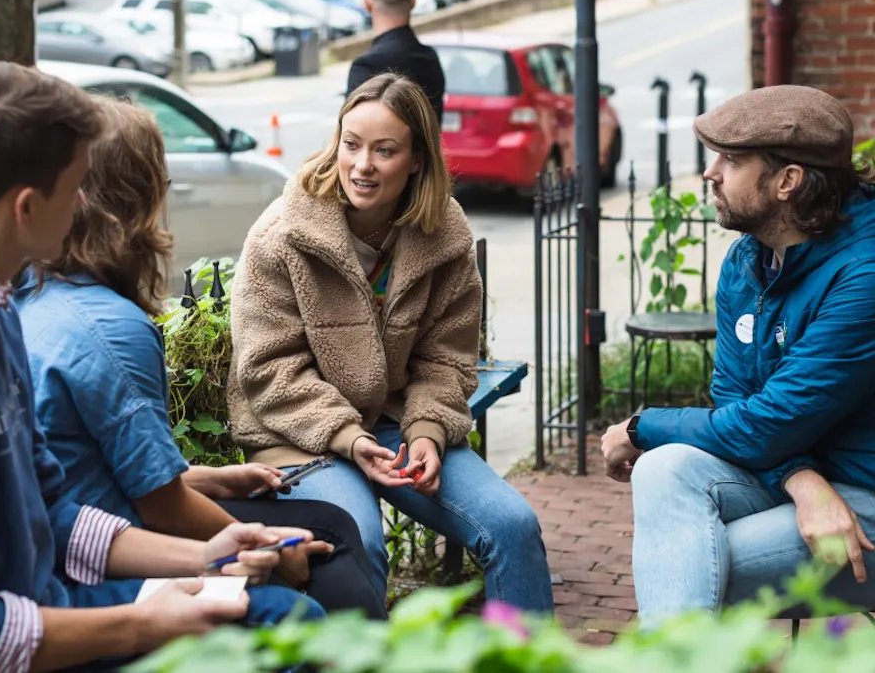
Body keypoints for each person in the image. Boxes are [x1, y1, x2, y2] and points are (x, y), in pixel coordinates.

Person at [0, 61, 321, 673]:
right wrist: (139, 625)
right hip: (5, 647)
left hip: (44, 609)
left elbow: (51, 513)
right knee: (291, 632)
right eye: (77, 184)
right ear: (27, 208)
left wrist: (203, 556)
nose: (86, 202)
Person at [14, 96, 387, 621]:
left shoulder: (32, 293)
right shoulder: (113, 329)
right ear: (140, 199)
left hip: (75, 536)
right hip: (100, 560)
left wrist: (201, 476)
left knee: (329, 523)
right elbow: (157, 508)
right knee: (324, 552)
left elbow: (83, 469)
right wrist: (272, 557)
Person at [227, 72, 554, 611]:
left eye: (384, 151)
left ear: (417, 159)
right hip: (300, 432)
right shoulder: (281, 235)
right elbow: (268, 370)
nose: (362, 165)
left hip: (396, 422)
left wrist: (427, 432)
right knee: (362, 544)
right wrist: (349, 438)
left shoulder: (444, 234)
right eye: (351, 145)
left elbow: (447, 359)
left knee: (512, 525)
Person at [600, 85, 875, 629]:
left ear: (787, 182)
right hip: (808, 481)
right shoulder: (748, 258)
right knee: (663, 467)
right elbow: (735, 395)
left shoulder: (863, 275)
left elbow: (766, 423)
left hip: (865, 498)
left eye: (731, 159)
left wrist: (641, 425)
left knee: (694, 565)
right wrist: (802, 479)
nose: (710, 172)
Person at [346, 0, 446, 124]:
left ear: (367, 5)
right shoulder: (430, 59)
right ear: (413, 2)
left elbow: (353, 133)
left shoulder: (367, 66)